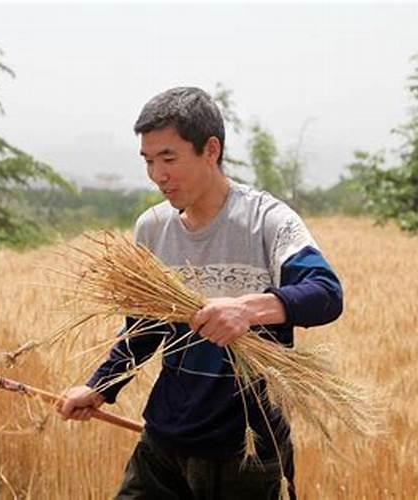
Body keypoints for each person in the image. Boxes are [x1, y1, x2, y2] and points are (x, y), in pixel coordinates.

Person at [57, 87, 343, 500]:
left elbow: (326, 294)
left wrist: (249, 309)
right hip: (164, 441)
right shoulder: (152, 228)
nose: (158, 175)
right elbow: (144, 329)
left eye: (169, 158)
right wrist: (101, 386)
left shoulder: (268, 221)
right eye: (149, 161)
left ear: (211, 150)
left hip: (248, 451)